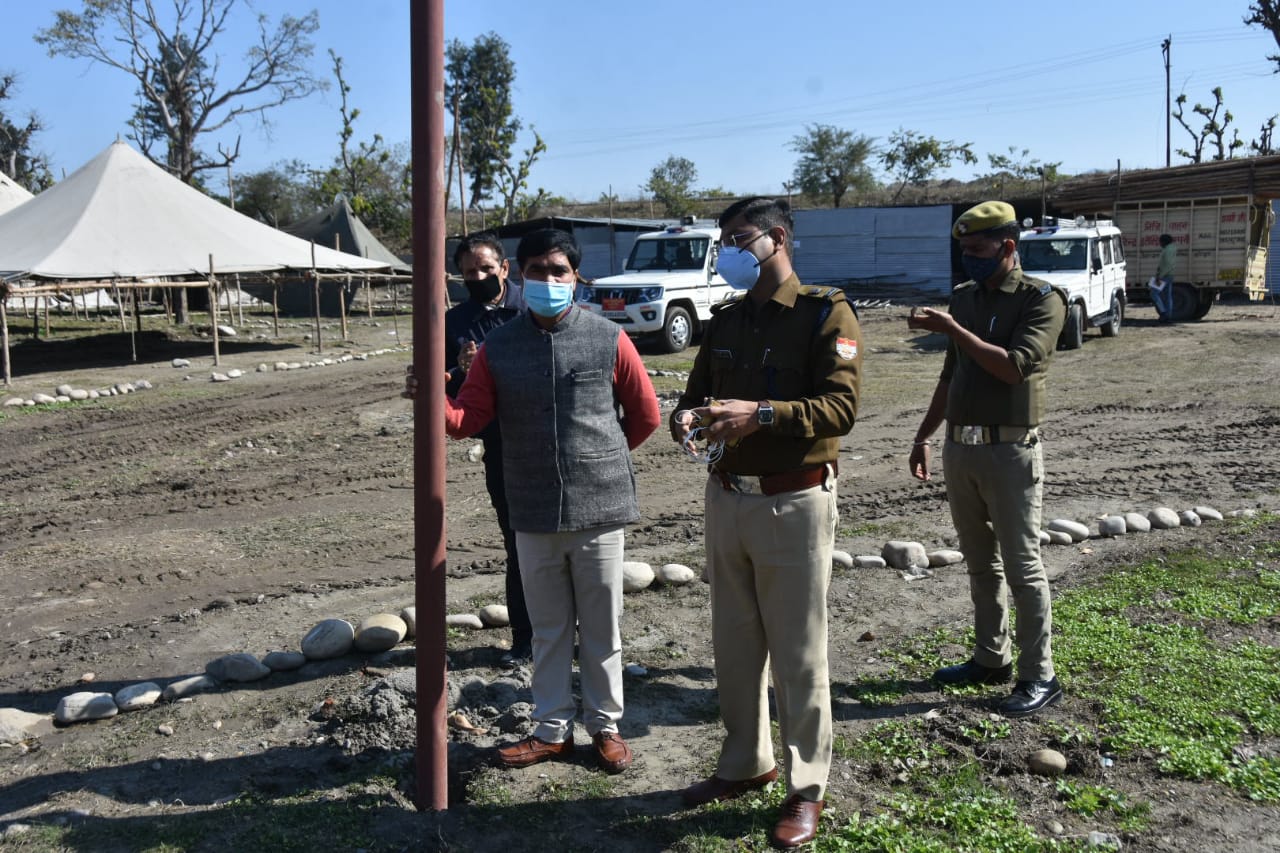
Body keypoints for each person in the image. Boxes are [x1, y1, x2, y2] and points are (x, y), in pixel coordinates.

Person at [670, 197, 862, 850]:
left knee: (798, 654)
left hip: (794, 500)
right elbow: (694, 396)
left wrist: (765, 413)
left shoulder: (822, 312)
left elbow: (841, 406)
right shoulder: (727, 319)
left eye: (738, 238)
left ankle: (806, 788)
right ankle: (745, 763)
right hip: (727, 497)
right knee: (735, 644)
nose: (727, 250)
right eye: (722, 239)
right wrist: (685, 419)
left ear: (777, 238)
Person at [444, 228, 661, 775]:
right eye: (536, 270)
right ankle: (550, 728)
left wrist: (600, 458)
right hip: (532, 508)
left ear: (576, 277)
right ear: (519, 274)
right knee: (547, 629)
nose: (547, 280)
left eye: (558, 270)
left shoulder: (610, 338)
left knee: (602, 626)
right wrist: (431, 395)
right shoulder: (497, 348)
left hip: (600, 509)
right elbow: (466, 420)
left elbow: (645, 416)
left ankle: (606, 727)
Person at [906, 200, 1067, 719]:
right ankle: (990, 657)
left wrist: (953, 330)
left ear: (1008, 247)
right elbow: (950, 377)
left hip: (1010, 450)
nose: (969, 259)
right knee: (981, 564)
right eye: (964, 251)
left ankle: (1038, 674)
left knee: (1022, 565)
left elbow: (1015, 368)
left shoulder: (1042, 299)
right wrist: (924, 434)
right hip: (962, 448)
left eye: (977, 250)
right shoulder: (966, 299)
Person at [1151, 233, 1176, 321]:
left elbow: (1166, 265)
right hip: (1169, 275)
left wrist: (1159, 277)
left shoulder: (1167, 251)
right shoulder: (1172, 249)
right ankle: (1168, 315)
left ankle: (1163, 312)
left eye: (1160, 242)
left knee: (1154, 293)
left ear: (1164, 242)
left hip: (1164, 276)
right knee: (1167, 296)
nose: (1159, 244)